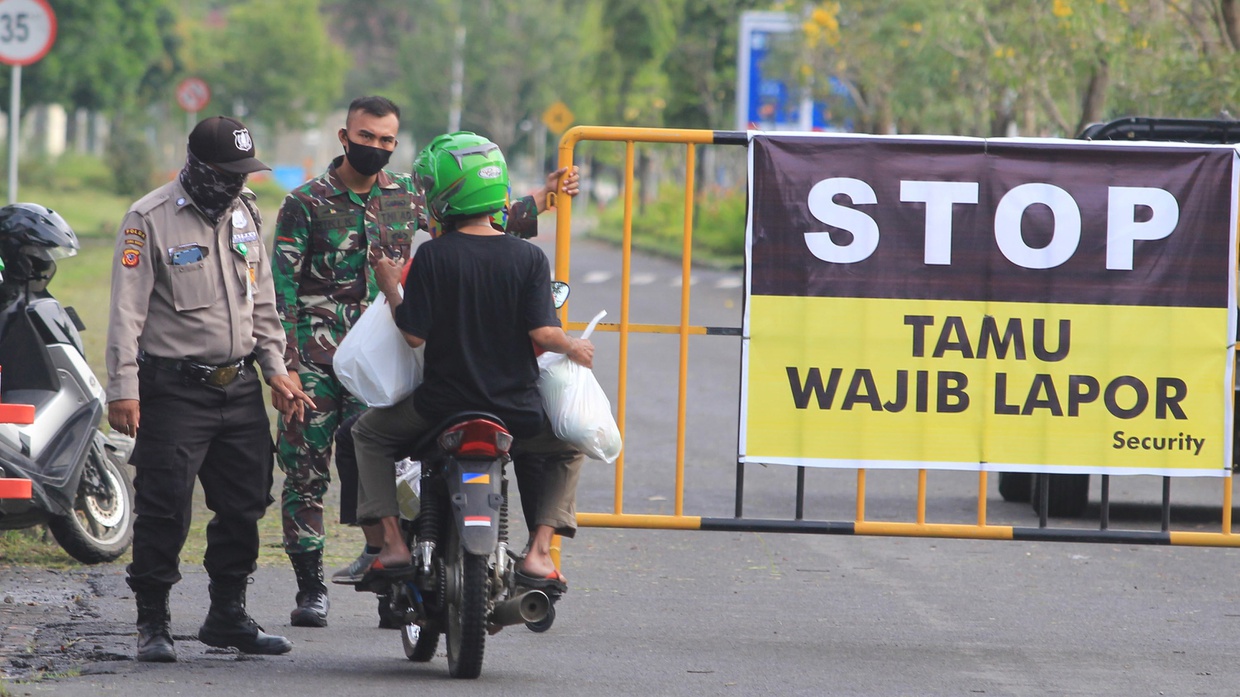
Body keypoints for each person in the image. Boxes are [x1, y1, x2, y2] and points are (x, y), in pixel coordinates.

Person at [272, 96, 580, 627]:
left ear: (396, 144)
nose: (376, 147)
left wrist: (546, 196)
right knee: (305, 470)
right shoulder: (305, 203)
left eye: (386, 140)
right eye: (366, 137)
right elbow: (281, 291)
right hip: (319, 359)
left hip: (390, 360)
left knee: (402, 464)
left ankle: (403, 584)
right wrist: (286, 365)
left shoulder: (410, 196)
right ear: (345, 137)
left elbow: (477, 225)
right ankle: (311, 589)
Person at [339, 131, 592, 592]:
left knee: (367, 434)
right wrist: (573, 345)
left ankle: (391, 543)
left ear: (442, 195)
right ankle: (538, 553)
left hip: (441, 408)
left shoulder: (433, 256)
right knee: (567, 448)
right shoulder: (529, 258)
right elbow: (542, 334)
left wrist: (391, 284)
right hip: (516, 411)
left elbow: (413, 333)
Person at [106, 115, 314, 663]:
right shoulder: (147, 219)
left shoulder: (244, 213)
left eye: (244, 173)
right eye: (227, 173)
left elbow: (262, 303)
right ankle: (153, 621)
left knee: (245, 504)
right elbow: (126, 312)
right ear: (198, 168)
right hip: (173, 388)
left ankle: (228, 614)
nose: (237, 183)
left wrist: (277, 368)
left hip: (239, 386)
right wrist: (123, 387)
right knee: (165, 507)